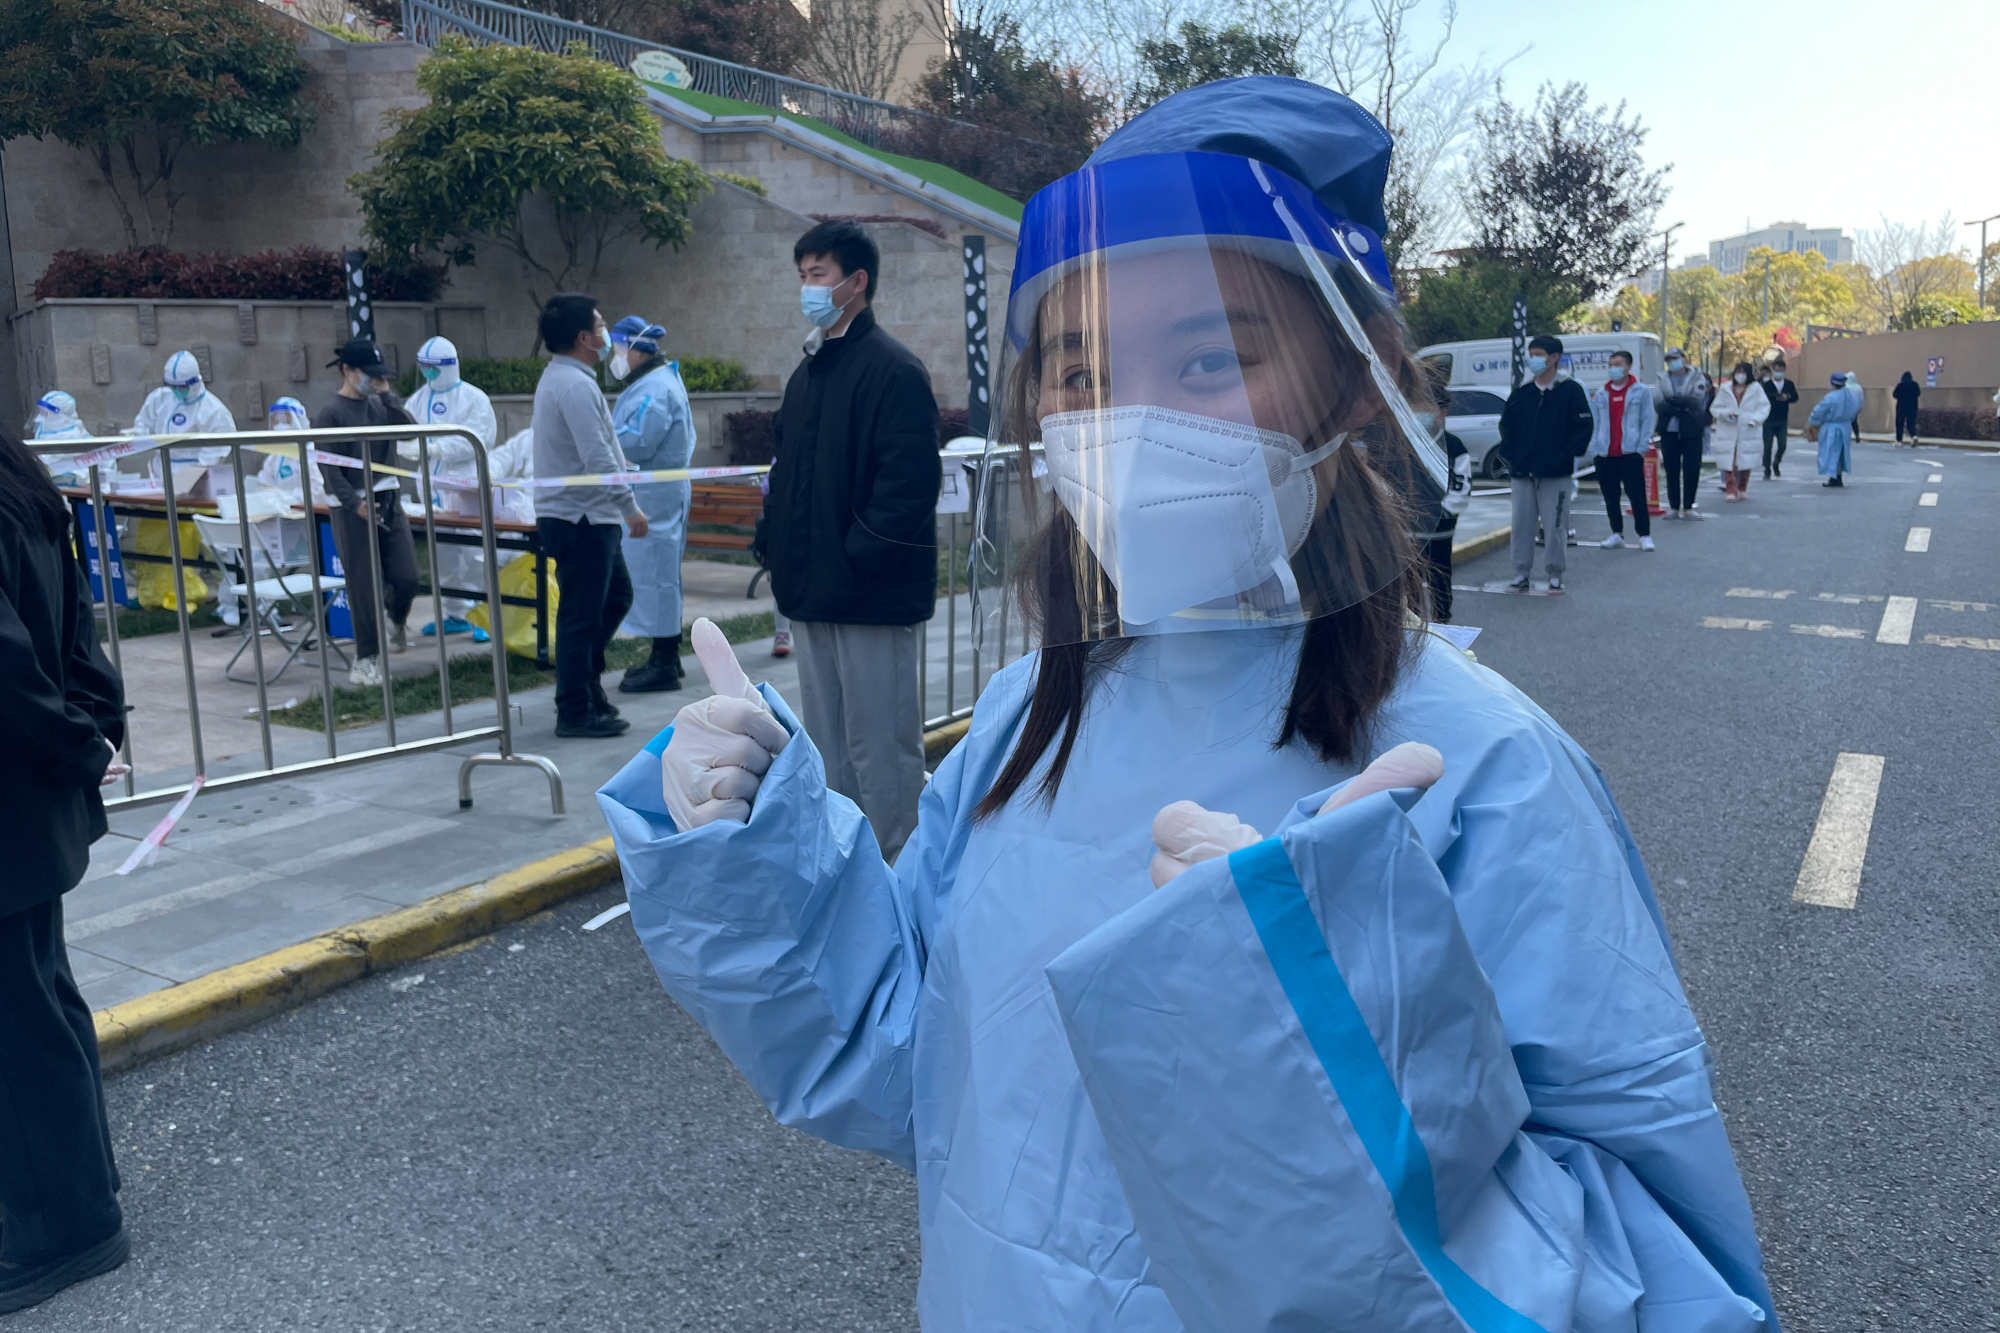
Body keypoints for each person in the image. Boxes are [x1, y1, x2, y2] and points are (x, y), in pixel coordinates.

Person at [601, 78, 1777, 1333]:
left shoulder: (1486, 772)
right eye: (1079, 368)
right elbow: (914, 1065)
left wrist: (1309, 1057)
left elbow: (1667, 1285)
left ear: (1352, 384)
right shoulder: (1022, 721)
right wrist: (758, 864)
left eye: (1212, 357)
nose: (1130, 420)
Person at [753, 219, 940, 858]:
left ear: (857, 281)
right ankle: (849, 868)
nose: (807, 287)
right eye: (803, 275)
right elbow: (786, 474)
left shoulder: (894, 370)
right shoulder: (807, 375)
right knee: (829, 748)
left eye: (819, 274)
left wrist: (859, 557)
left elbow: (907, 487)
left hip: (870, 597)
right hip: (812, 592)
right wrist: (774, 541)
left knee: (882, 749)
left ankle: (901, 871)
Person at [0, 429, 130, 1314]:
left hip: (10, 785)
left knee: (18, 1019)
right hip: (28, 793)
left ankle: (65, 1225)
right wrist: (90, 734)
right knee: (39, 995)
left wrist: (81, 742)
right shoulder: (21, 480)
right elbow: (75, 636)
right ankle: (78, 1187)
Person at [531, 292, 647, 739]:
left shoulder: (567, 378)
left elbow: (599, 450)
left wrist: (624, 472)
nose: (606, 333)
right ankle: (575, 709)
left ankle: (585, 685)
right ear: (583, 337)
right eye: (600, 326)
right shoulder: (574, 385)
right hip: (580, 518)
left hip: (586, 515)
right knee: (582, 615)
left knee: (615, 598)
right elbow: (596, 457)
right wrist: (629, 508)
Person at [315, 338, 420, 688]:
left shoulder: (379, 406)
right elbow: (330, 469)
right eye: (368, 374)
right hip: (352, 508)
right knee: (363, 585)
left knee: (407, 575)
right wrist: (354, 503)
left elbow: (409, 430)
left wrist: (388, 395)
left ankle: (396, 618)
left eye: (379, 374)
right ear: (347, 370)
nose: (374, 380)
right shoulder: (331, 414)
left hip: (388, 498)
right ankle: (366, 658)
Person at [608, 316, 695, 694]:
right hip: (657, 494)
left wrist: (597, 440)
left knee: (658, 578)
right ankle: (666, 657)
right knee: (659, 577)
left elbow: (636, 442)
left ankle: (663, 662)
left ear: (636, 350)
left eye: (618, 349)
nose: (614, 357)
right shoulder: (653, 382)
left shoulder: (656, 388)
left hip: (656, 497)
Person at [399, 336, 497, 641]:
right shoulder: (418, 399)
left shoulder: (473, 399)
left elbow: (480, 438)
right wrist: (407, 446)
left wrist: (438, 448)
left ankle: (484, 614)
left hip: (465, 485)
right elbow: (403, 430)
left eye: (434, 367)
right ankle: (456, 613)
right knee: (443, 554)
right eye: (424, 367)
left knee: (475, 553)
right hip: (430, 487)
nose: (428, 373)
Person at [1498, 334, 1592, 591]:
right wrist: (1512, 456)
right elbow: (1507, 427)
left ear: (1554, 357)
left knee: (1556, 525)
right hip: (1522, 473)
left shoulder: (1571, 391)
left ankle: (1555, 572)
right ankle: (1521, 571)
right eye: (1532, 355)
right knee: (1521, 525)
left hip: (1556, 474)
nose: (1534, 360)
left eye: (1539, 355)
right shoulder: (1523, 392)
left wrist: (1564, 457)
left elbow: (1582, 428)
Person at [1586, 348, 1658, 549]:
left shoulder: (1640, 391)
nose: (1613, 369)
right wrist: (1594, 448)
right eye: (1610, 365)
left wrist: (1641, 447)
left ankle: (1644, 535)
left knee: (1636, 495)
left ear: (1628, 367)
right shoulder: (1602, 393)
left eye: (1618, 365)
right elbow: (1596, 422)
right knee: (1610, 496)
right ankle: (1616, 533)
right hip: (1605, 453)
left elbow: (1648, 419)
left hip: (1630, 452)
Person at [135, 349, 237, 482]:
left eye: (182, 387)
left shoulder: (213, 410)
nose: (177, 391)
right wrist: (138, 434)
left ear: (195, 383)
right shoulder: (160, 399)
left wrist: (193, 477)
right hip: (160, 471)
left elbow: (218, 448)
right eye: (173, 386)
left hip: (195, 475)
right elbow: (143, 424)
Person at [1420, 390, 1472, 621]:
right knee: (1407, 588)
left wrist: (1442, 514)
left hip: (1440, 531)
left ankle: (1442, 624)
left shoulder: (1454, 446)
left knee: (1439, 582)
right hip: (1407, 531)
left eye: (1426, 408)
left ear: (1442, 412)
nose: (1419, 413)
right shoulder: (1403, 443)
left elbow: (1460, 489)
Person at [1655, 348, 1710, 519]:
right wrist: (1680, 405)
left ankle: (1688, 507)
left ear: (1684, 359)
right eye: (1669, 360)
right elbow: (1659, 402)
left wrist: (1673, 401)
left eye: (1675, 358)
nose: (1672, 362)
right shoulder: (1662, 378)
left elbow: (1696, 400)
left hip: (1692, 429)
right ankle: (1673, 506)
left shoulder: (1697, 376)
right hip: (1669, 430)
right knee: (1671, 469)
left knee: (1692, 468)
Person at [1709, 361, 1770, 502]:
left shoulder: (1756, 389)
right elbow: (1715, 408)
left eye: (1743, 372)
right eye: (1738, 372)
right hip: (1728, 430)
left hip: (1748, 429)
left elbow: (1764, 407)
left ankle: (1742, 488)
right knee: (1728, 461)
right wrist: (1726, 414)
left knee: (1745, 461)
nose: (1740, 375)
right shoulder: (1725, 389)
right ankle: (1730, 489)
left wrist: (1754, 419)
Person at [1810, 371, 1858, 487]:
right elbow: (1855, 411)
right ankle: (1838, 475)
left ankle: (1833, 476)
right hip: (1845, 427)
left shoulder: (1830, 397)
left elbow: (1819, 411)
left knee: (1831, 452)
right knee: (1841, 453)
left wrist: (1813, 421)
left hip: (1831, 427)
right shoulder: (1850, 397)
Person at [31, 391, 90, 484]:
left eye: (44, 413)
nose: (39, 417)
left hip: (68, 480)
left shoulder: (70, 436)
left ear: (56, 414)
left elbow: (48, 461)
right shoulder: (48, 432)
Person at [1759, 360, 1796, 478]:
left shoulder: (1789, 384)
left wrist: (1787, 397)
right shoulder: (1767, 385)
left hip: (1782, 419)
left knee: (1782, 444)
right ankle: (1767, 469)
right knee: (1767, 446)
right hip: (1768, 419)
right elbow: (1762, 398)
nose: (1779, 373)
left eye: (1781, 371)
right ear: (1773, 371)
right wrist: (1775, 397)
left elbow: (1795, 397)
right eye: (1777, 371)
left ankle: (1777, 461)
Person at [1892, 370, 1921, 445]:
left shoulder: (1901, 385)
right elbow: (1918, 393)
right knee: (1910, 423)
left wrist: (1901, 397)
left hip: (1902, 407)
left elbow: (1894, 394)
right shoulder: (1915, 385)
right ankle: (1914, 436)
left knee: (1900, 424)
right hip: (1913, 407)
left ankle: (1899, 441)